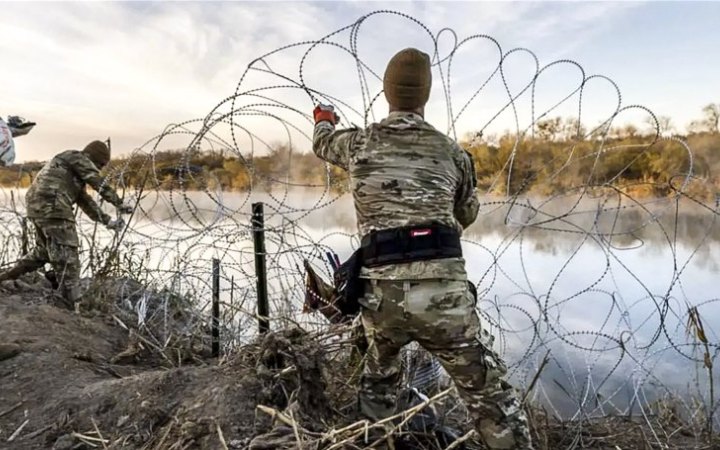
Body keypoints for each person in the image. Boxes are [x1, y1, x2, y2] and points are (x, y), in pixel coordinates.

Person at [311, 48, 533, 449]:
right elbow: (466, 214)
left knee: (378, 387)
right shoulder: (453, 153)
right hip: (444, 301)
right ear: (425, 96)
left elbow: (323, 142)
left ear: (387, 92)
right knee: (489, 399)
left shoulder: (359, 144)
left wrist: (323, 118)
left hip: (382, 300)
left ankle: (376, 439)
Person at [0, 140, 132, 308]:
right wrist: (119, 202)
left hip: (37, 206)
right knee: (69, 257)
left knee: (43, 252)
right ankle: (72, 303)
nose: (99, 168)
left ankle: (5, 278)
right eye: (100, 164)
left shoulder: (71, 171)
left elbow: (85, 201)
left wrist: (109, 222)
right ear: (92, 157)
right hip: (54, 205)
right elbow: (97, 181)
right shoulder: (76, 157)